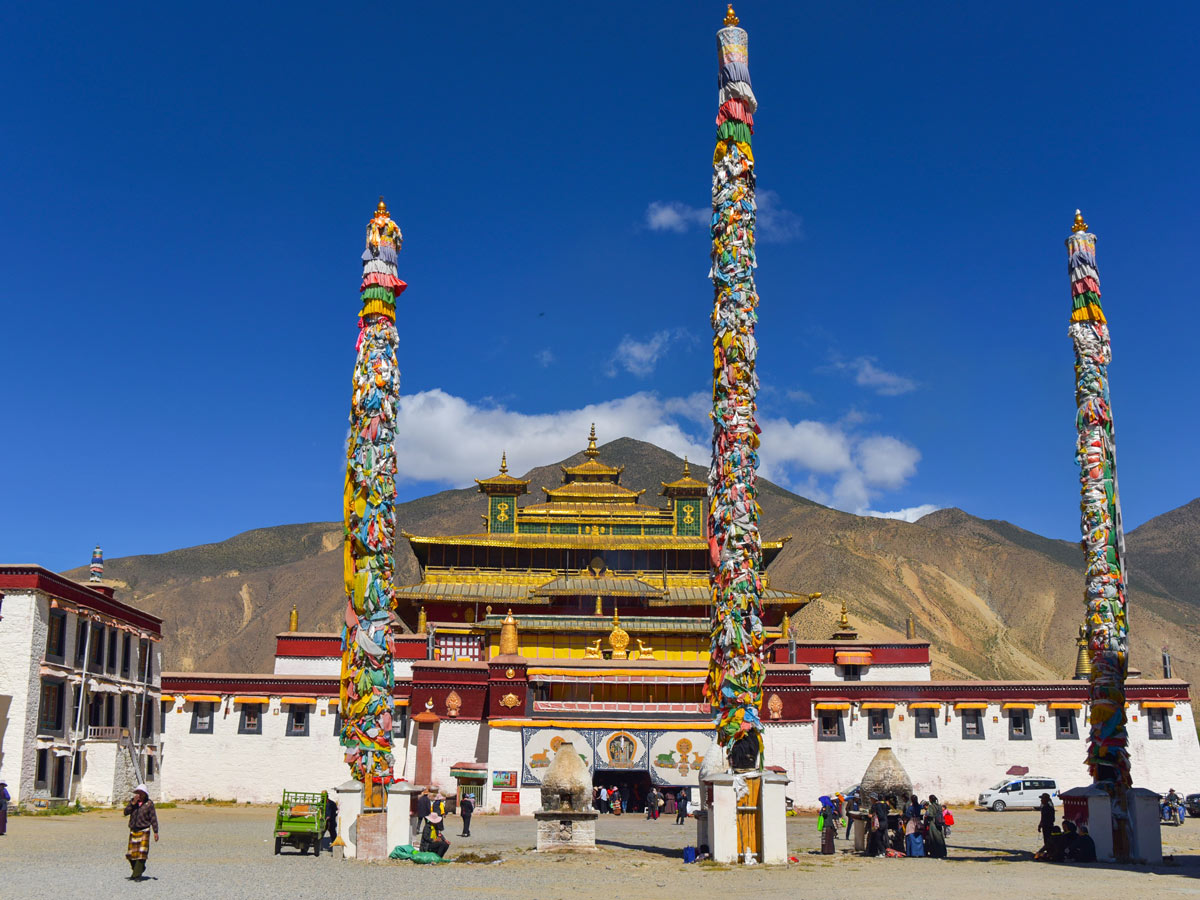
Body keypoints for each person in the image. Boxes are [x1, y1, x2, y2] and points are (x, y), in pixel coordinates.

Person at [123, 784, 159, 880]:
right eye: (138, 793)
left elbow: (153, 818)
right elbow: (125, 812)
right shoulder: (133, 802)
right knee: (131, 854)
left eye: (141, 793)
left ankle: (136, 875)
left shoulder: (149, 804)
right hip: (134, 830)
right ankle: (139, 869)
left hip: (144, 830)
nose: (139, 795)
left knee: (142, 853)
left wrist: (155, 831)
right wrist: (133, 804)